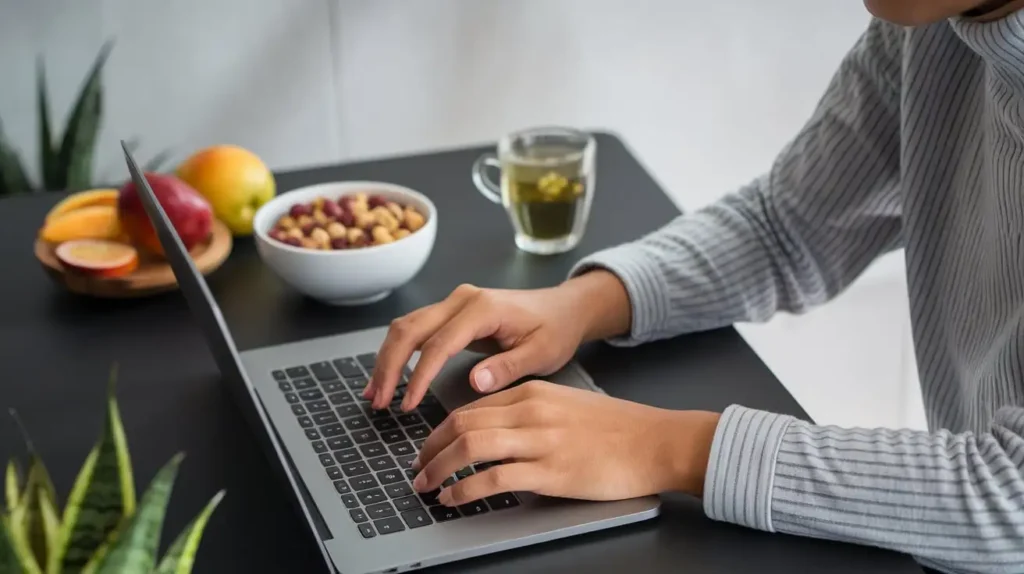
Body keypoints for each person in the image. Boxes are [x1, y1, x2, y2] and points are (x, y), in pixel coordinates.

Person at [367, 1, 1024, 573]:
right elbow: (787, 226)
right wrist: (579, 305)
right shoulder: (930, 29)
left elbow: (1012, 501)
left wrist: (663, 446)